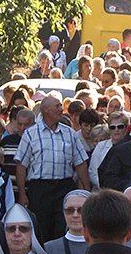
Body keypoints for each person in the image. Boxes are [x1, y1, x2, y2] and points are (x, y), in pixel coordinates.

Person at [14, 95, 90, 241]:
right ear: (45, 110)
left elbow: (80, 163)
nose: (62, 109)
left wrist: (86, 190)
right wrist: (23, 194)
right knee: (42, 230)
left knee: (63, 229)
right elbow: (21, 166)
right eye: (57, 106)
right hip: (40, 189)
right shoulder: (31, 134)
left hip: (64, 187)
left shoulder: (69, 133)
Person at [44, 189, 90, 254]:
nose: (75, 215)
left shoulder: (101, 247)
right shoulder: (49, 249)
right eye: (70, 210)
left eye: (81, 210)